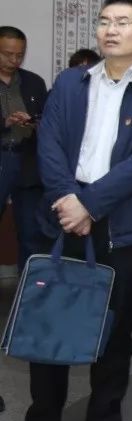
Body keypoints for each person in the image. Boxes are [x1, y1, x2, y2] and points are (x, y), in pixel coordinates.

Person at [8, 0, 132, 421]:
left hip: (124, 224)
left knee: (114, 328)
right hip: (63, 211)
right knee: (50, 319)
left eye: (123, 22)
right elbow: (49, 143)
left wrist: (89, 204)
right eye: (104, 21)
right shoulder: (71, 82)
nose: (111, 29)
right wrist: (68, 199)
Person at [0, 26, 48, 272]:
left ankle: (29, 289)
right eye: (8, 54)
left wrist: (34, 122)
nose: (14, 60)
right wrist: (5, 122)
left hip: (28, 161)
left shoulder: (33, 82)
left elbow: (48, 119)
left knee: (31, 232)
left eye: (19, 54)